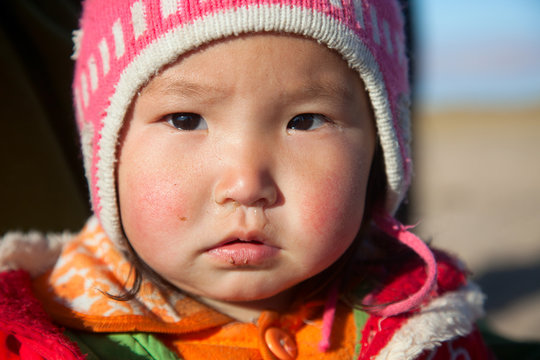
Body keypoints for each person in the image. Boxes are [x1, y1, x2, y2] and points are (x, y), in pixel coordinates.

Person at [0, 0, 495, 358]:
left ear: (381, 150)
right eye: (185, 119)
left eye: (305, 121)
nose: (244, 184)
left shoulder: (425, 323)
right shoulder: (34, 334)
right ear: (107, 154)